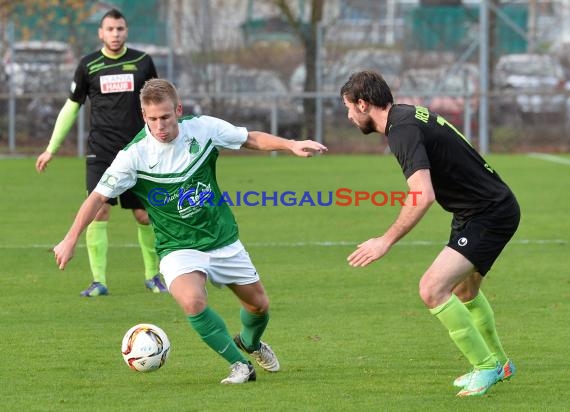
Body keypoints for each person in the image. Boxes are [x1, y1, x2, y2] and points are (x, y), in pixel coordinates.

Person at [52, 78, 328, 383]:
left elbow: (249, 138)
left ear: (178, 110)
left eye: (166, 117)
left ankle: (250, 343)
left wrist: (290, 145)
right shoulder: (134, 156)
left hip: (221, 237)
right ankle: (240, 365)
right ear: (144, 117)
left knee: (258, 306)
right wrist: (70, 238)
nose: (159, 125)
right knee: (192, 301)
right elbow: (97, 198)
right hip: (177, 246)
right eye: (152, 119)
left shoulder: (202, 128)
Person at [340, 71, 520, 397]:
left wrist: (385, 240)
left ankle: (485, 367)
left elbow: (422, 194)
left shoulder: (401, 131)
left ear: (363, 104)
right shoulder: (406, 115)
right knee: (465, 293)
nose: (349, 116)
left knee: (431, 288)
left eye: (349, 108)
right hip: (478, 209)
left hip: (488, 213)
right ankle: (500, 363)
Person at [35, 8, 164, 297]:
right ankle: (98, 281)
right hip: (101, 151)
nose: (115, 34)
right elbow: (72, 106)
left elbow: (157, 103)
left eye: (120, 29)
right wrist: (50, 149)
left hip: (139, 151)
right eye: (110, 29)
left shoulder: (143, 62)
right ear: (100, 33)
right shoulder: (89, 65)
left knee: (144, 215)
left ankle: (154, 276)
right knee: (99, 211)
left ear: (126, 31)